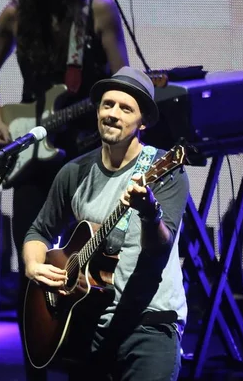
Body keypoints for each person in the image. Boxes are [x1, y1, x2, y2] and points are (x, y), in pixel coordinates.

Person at [0, 0, 128, 379]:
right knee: (30, 267)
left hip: (83, 153)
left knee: (86, 264)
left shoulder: (97, 9)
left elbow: (122, 81)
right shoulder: (15, 14)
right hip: (32, 159)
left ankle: (84, 365)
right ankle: (36, 369)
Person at [23, 66, 190, 380]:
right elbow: (39, 231)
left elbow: (159, 248)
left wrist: (148, 212)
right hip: (88, 325)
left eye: (125, 108)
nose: (113, 113)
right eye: (107, 105)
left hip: (149, 326)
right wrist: (33, 266)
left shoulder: (162, 170)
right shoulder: (74, 172)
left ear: (142, 121)